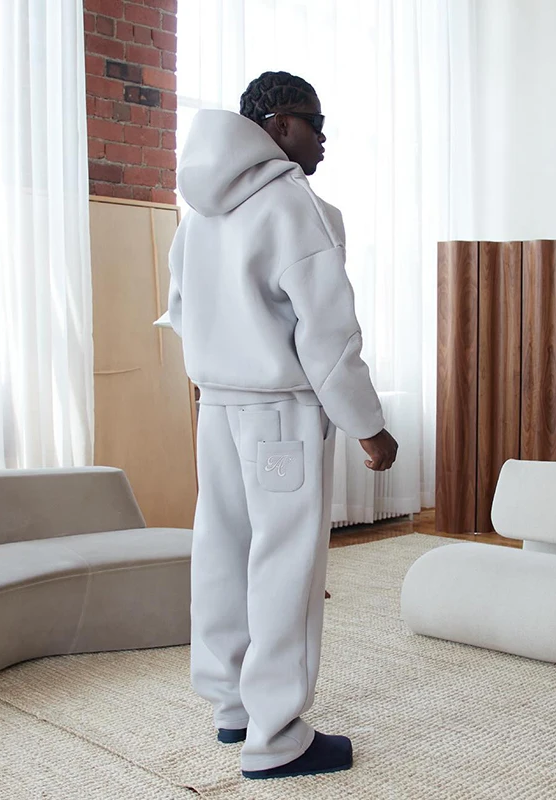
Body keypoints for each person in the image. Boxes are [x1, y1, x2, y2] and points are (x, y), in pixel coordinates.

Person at [167, 70, 399, 780]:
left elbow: (179, 308)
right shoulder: (295, 204)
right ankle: (277, 739)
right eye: (314, 123)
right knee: (285, 566)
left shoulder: (198, 210)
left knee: (224, 551)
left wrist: (222, 370)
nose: (323, 140)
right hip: (279, 412)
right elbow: (328, 336)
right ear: (277, 124)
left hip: (217, 405)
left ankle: (233, 708)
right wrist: (369, 425)